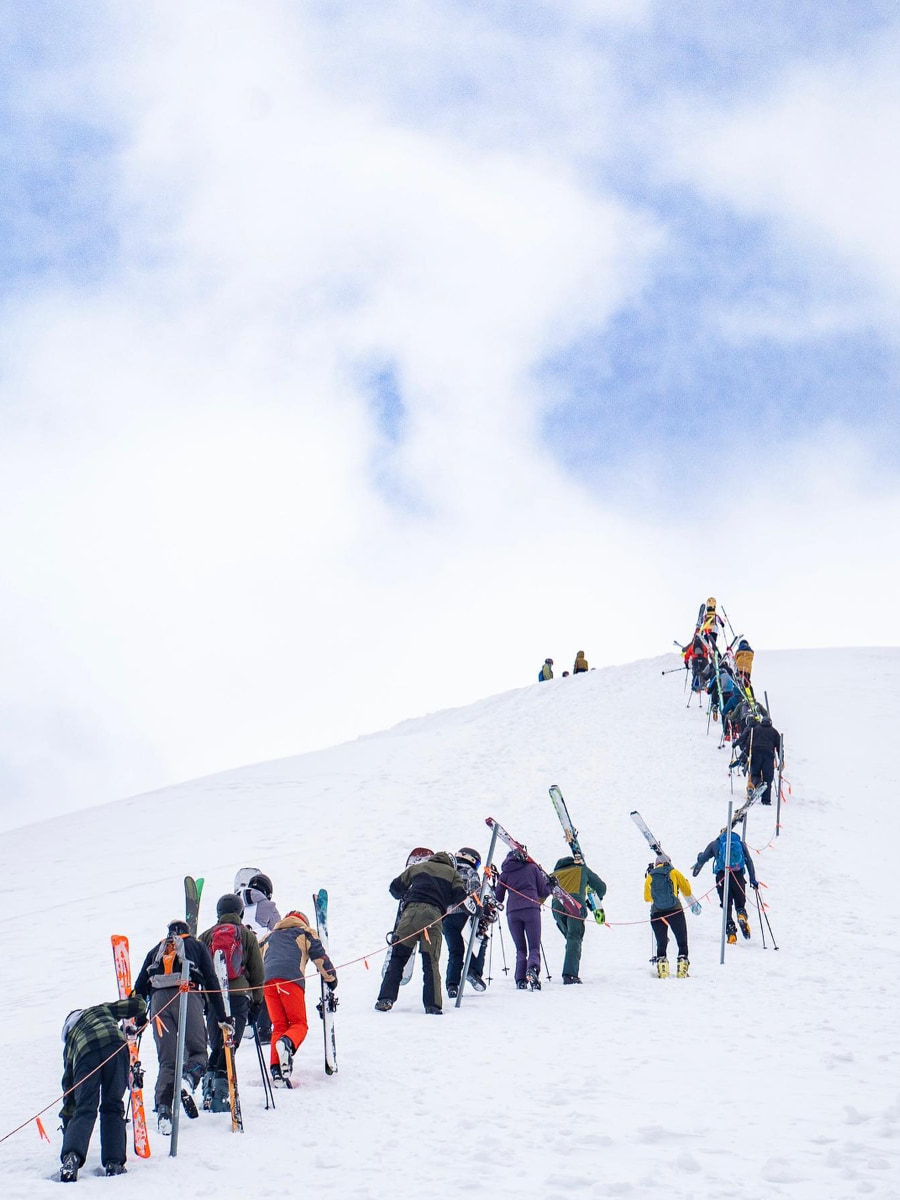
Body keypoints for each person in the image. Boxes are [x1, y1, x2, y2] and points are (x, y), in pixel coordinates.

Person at [134, 918, 228, 1131]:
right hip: (187, 995)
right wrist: (222, 1016)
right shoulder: (196, 946)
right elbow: (211, 980)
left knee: (167, 1061)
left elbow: (140, 986)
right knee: (198, 1052)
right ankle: (187, 1081)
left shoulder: (156, 950)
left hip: (158, 1002)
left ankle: (164, 1112)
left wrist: (140, 1019)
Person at [58, 995, 147, 1181]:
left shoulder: (71, 1043)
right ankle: (114, 1163)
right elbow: (138, 1005)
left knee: (85, 1108)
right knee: (113, 1105)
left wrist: (68, 1123)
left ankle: (71, 1158)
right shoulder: (100, 1010)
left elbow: (69, 1089)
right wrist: (138, 1000)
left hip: (85, 1057)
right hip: (115, 1047)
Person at [376, 852, 468, 1014]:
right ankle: (432, 1005)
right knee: (430, 962)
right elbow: (460, 897)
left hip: (409, 916)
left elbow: (394, 888)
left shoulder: (417, 868)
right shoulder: (453, 874)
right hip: (432, 918)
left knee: (397, 959)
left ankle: (385, 999)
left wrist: (406, 896)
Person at [199, 894, 265, 1109]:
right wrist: (257, 1003)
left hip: (213, 998)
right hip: (238, 995)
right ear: (240, 912)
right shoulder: (247, 935)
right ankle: (220, 1096)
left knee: (217, 1045)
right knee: (230, 1045)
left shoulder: (206, 936)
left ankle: (208, 1090)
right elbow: (258, 972)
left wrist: (204, 998)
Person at [260, 910, 337, 1086]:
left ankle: (277, 1071)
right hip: (290, 980)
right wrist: (331, 977)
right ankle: (287, 1043)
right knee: (299, 1024)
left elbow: (254, 958)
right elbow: (319, 956)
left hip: (268, 983)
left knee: (279, 1025)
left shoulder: (268, 936)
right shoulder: (305, 932)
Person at [441, 846, 496, 998]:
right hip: (465, 914)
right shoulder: (470, 871)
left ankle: (452, 985)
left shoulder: (448, 872)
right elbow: (475, 892)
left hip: (446, 917)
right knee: (478, 941)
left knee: (455, 950)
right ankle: (473, 971)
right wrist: (482, 909)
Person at [494, 850, 552, 990]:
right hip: (531, 909)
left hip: (512, 912)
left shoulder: (505, 873)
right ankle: (532, 969)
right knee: (533, 946)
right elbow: (543, 891)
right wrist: (551, 885)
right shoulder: (532, 868)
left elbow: (498, 897)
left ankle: (520, 980)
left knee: (520, 948)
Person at [236, 872, 281, 1043]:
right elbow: (279, 930)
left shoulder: (234, 901)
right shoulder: (268, 906)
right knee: (263, 985)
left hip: (235, 953)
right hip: (259, 951)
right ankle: (263, 1028)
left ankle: (238, 1025)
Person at [692, 828, 757, 943]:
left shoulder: (715, 844)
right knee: (740, 904)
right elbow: (749, 861)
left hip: (722, 877)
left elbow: (703, 858)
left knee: (727, 905)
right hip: (738, 876)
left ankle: (731, 933)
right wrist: (753, 879)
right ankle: (741, 916)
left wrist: (699, 857)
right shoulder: (740, 844)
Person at [551, 853, 606, 984]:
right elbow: (601, 888)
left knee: (571, 939)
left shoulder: (554, 874)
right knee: (574, 938)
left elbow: (541, 892)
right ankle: (570, 975)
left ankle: (570, 969)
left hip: (557, 906)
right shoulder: (581, 869)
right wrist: (593, 901)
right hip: (575, 905)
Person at [644, 854, 701, 978]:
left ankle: (663, 970)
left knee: (661, 942)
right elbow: (687, 891)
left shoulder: (650, 876)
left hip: (657, 913)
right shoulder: (673, 872)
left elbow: (647, 898)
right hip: (675, 911)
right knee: (681, 941)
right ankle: (682, 970)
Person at [740, 716, 782, 805]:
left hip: (756, 755)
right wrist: (781, 759)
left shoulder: (755, 730)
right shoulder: (774, 732)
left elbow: (749, 743)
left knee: (754, 774)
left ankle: (758, 783)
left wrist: (747, 755)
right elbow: (779, 747)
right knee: (768, 778)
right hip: (769, 756)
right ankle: (766, 800)